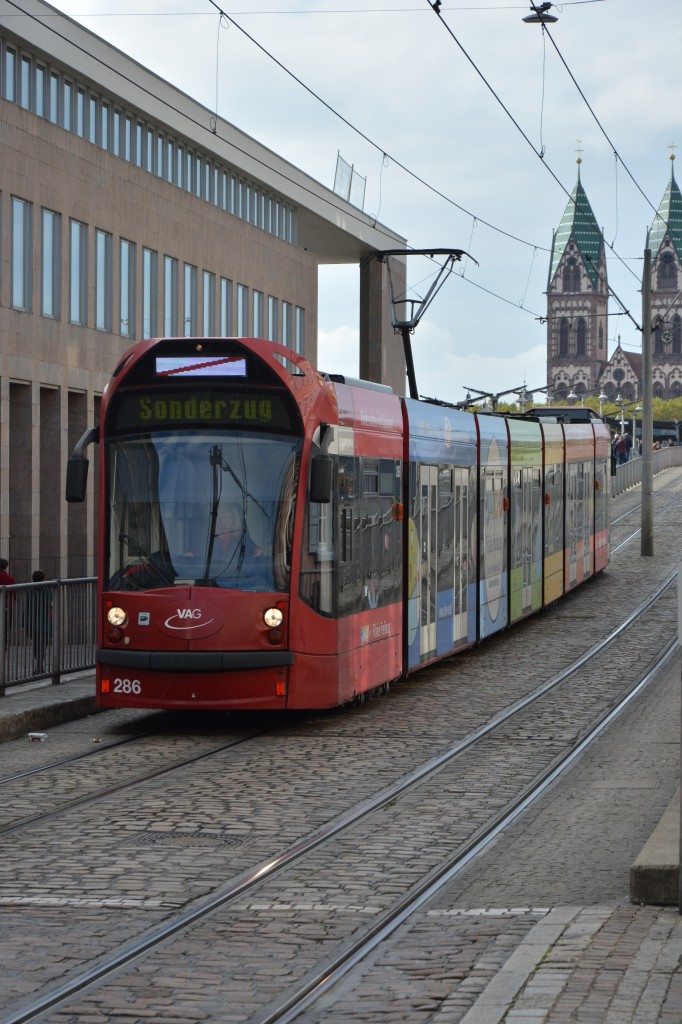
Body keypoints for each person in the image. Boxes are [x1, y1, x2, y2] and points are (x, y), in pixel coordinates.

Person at [25, 570, 52, 673]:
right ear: (44, 580)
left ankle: (39, 666)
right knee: (42, 646)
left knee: (36, 646)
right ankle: (39, 666)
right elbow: (51, 608)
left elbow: (26, 608)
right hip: (45, 623)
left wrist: (24, 623)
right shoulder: (48, 592)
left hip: (33, 623)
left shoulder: (29, 592)